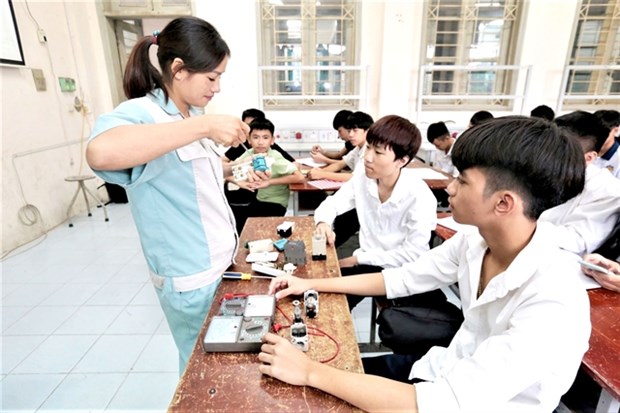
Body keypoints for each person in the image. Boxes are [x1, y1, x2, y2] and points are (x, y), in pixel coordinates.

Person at [260, 116, 591, 412]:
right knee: (310, 379)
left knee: (311, 383)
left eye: (462, 180)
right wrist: (311, 284)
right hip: (436, 371)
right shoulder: (474, 243)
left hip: (447, 401)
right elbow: (401, 279)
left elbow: (443, 403)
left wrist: (309, 371)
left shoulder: (554, 301)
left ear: (503, 202)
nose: (449, 187)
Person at [86, 17, 252, 374]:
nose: (217, 88)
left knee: (223, 366)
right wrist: (204, 126)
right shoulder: (142, 113)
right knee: (201, 371)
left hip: (219, 263)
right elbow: (100, 153)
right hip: (191, 276)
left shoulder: (187, 115)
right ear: (178, 69)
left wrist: (233, 171)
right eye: (212, 77)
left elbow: (185, 174)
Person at [313, 115, 439, 310]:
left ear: (402, 160)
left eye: (378, 152)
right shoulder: (363, 178)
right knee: (319, 297)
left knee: (333, 304)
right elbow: (333, 204)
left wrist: (357, 259)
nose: (368, 158)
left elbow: (413, 255)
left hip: (399, 270)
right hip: (366, 262)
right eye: (369, 147)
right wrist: (323, 223)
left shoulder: (419, 196)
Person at [539, 110, 620, 256]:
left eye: (561, 151)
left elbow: (576, 241)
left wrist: (519, 224)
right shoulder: (541, 171)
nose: (549, 155)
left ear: (589, 158)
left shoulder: (607, 191)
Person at [227, 118, 304, 226]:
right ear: (249, 140)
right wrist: (239, 182)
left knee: (243, 224)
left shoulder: (275, 157)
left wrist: (269, 182)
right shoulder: (249, 154)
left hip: (275, 203)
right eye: (255, 137)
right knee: (230, 218)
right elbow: (228, 172)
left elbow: (299, 177)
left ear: (272, 140)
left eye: (265, 137)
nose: (260, 142)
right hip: (258, 200)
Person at [306, 111, 374, 182]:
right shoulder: (358, 148)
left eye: (355, 131)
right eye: (349, 131)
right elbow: (340, 164)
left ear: (367, 131)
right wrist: (320, 171)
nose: (350, 135)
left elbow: (354, 177)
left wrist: (322, 174)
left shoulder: (369, 150)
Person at [222, 108, 295, 163]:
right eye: (247, 125)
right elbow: (222, 162)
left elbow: (292, 163)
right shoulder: (241, 144)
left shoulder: (267, 145)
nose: (249, 129)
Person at [593, 109, 620, 178]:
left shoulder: (618, 159)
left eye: (603, 132)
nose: (598, 136)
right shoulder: (585, 150)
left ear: (616, 131)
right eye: (594, 131)